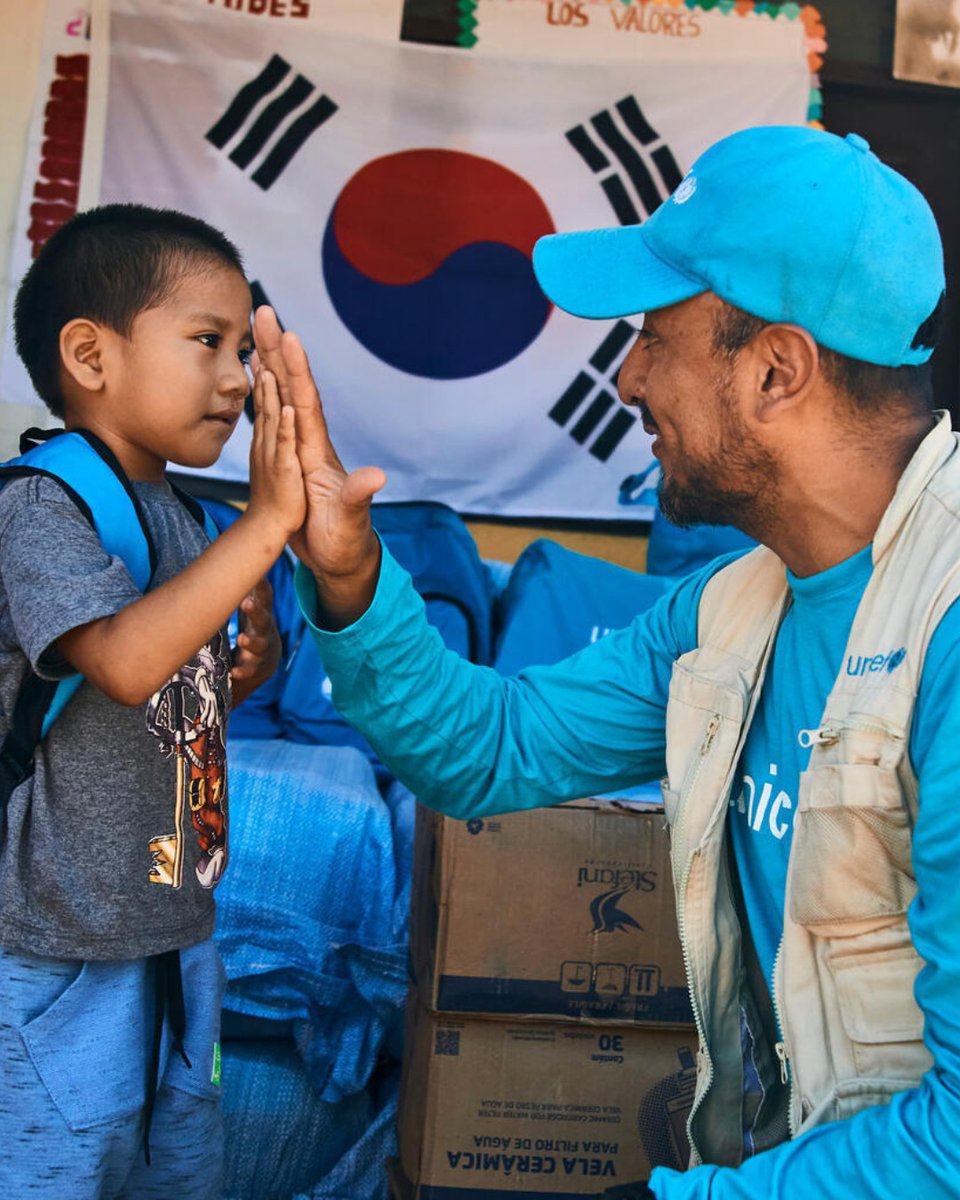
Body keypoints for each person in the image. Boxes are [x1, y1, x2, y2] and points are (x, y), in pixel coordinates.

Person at [257, 122, 960, 1197]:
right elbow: (487, 750)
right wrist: (349, 574)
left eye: (654, 336)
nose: (628, 378)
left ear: (777, 370)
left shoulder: (946, 632)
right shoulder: (731, 612)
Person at [0, 204, 304, 1196]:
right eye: (207, 341)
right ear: (90, 354)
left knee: (168, 1169)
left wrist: (240, 662)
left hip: (173, 929)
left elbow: (178, 681)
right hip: (55, 946)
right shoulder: (41, 505)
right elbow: (125, 664)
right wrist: (264, 529)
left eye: (241, 347)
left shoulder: (185, 517)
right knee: (57, 1169)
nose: (235, 379)